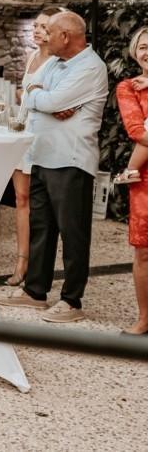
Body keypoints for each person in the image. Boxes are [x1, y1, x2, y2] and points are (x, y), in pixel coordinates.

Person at [0, 11, 109, 323]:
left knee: (73, 233)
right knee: (42, 228)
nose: (45, 37)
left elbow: (50, 101)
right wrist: (42, 96)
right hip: (42, 155)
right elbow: (31, 89)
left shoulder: (91, 67)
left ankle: (72, 300)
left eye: (51, 32)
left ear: (66, 36)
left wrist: (43, 98)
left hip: (71, 159)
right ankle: (35, 292)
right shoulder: (54, 62)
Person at [6, 5, 66, 286]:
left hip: (44, 135)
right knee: (20, 199)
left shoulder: (59, 62)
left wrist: (28, 95)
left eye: (45, 27)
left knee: (38, 203)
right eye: (37, 26)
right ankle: (21, 261)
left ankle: (37, 263)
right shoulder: (31, 56)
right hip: (23, 130)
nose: (38, 31)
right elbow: (26, 94)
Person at [114, 26, 148, 336]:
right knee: (144, 251)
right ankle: (145, 318)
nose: (147, 52)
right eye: (142, 46)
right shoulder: (128, 87)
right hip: (145, 180)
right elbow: (137, 131)